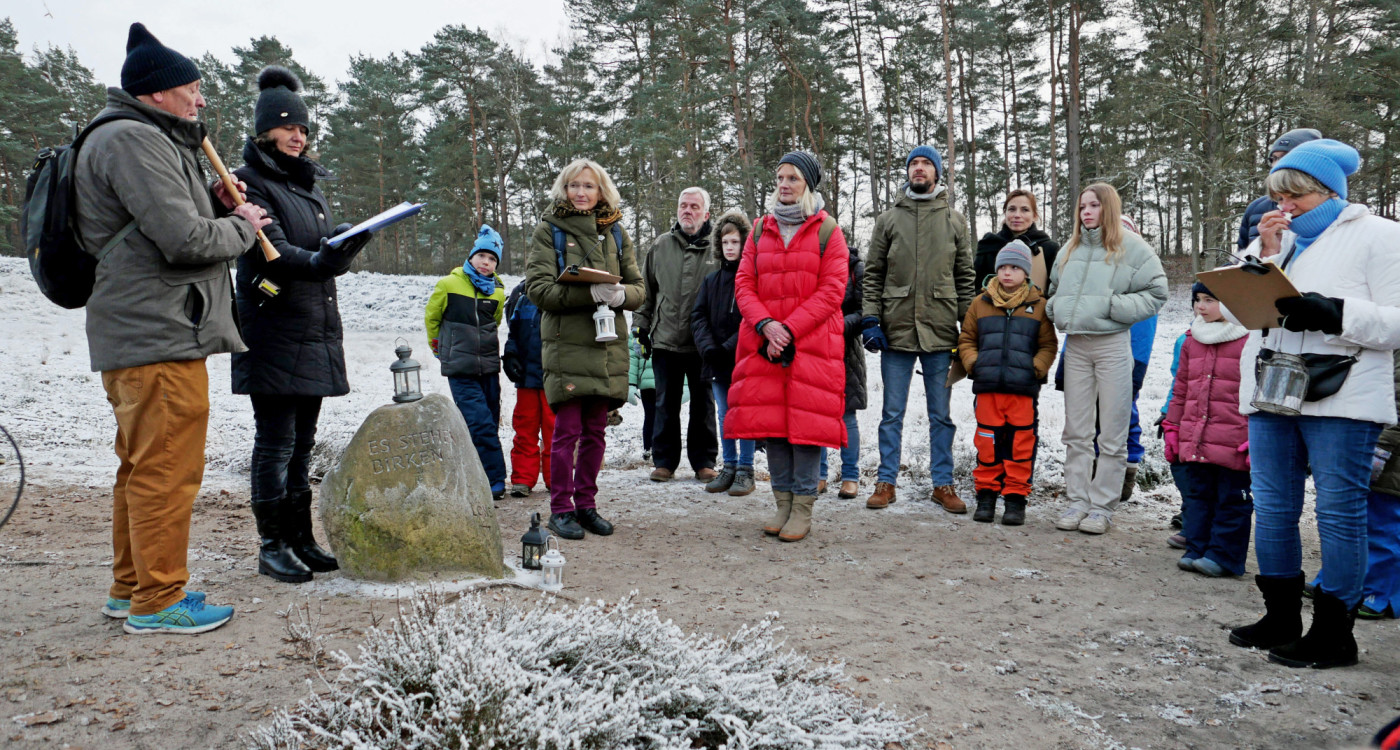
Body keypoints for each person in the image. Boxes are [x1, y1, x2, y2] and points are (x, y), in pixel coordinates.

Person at [78, 23, 272, 634]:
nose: (201, 98)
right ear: (158, 92)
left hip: (145, 331)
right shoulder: (135, 140)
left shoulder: (142, 138)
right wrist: (242, 223)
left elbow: (170, 220)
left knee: (141, 466)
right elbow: (184, 240)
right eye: (193, 86)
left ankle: (131, 586)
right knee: (166, 467)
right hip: (157, 333)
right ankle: (159, 601)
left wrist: (215, 201)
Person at [1225, 139, 1400, 669]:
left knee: (1338, 512)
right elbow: (1237, 320)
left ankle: (1333, 633)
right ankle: (1279, 616)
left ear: (1326, 193)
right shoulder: (1276, 245)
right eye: (1277, 196)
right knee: (1274, 507)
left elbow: (1396, 321)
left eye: (1293, 196)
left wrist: (1335, 313)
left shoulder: (1380, 236)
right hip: (1273, 391)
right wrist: (1265, 257)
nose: (1284, 207)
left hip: (1343, 395)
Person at [232, 66, 372, 585]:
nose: (298, 135)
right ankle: (273, 545)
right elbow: (273, 253)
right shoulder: (245, 184)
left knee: (303, 442)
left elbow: (316, 253)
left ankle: (301, 538)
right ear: (265, 130)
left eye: (304, 129)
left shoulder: (307, 185)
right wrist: (322, 259)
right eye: (288, 127)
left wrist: (341, 241)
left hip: (312, 328)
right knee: (275, 442)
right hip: (270, 331)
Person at [726, 151, 849, 542]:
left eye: (792, 178)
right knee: (773, 427)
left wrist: (788, 329)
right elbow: (744, 283)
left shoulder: (829, 230)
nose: (784, 184)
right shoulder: (760, 229)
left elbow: (832, 290)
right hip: (764, 343)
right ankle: (781, 504)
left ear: (808, 185)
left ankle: (803, 507)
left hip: (811, 345)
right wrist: (766, 325)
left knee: (807, 429)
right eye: (780, 177)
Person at [525, 158, 643, 540]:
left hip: (607, 344)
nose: (581, 193)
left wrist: (621, 293)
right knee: (567, 432)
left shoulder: (616, 232)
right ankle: (561, 509)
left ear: (601, 191)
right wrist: (588, 291)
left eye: (589, 186)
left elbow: (640, 290)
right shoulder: (549, 231)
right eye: (574, 185)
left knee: (596, 432)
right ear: (564, 188)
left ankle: (586, 505)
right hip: (566, 345)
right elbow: (538, 290)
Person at [1046, 182, 1168, 535]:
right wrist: (1057, 308)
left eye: (1094, 205)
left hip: (1114, 345)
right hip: (1077, 346)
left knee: (1112, 432)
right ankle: (1077, 501)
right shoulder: (1069, 248)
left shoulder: (1133, 248)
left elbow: (1157, 292)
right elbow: (1053, 291)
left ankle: (1102, 507)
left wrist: (1115, 308)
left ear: (1109, 208)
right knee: (1077, 431)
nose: (1086, 211)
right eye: (1082, 205)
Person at [861, 146, 975, 512]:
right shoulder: (888, 220)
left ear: (938, 173)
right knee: (891, 413)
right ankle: (886, 482)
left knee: (940, 415)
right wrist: (870, 320)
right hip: (895, 330)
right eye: (914, 164)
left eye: (926, 163)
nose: (920, 168)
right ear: (908, 172)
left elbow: (965, 277)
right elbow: (873, 275)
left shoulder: (955, 221)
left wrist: (969, 328)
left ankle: (943, 484)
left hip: (940, 331)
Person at [958, 240, 1058, 525]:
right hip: (988, 389)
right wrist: (975, 363)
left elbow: (1048, 345)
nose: (1007, 273)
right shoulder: (980, 303)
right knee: (987, 444)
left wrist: (1035, 368)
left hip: (1022, 392)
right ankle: (987, 495)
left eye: (1014, 267)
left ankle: (1015, 498)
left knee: (1020, 445)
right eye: (1002, 267)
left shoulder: (1039, 306)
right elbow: (966, 339)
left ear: (1026, 272)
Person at [1162, 282, 1251, 577]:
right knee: (1198, 496)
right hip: (1197, 437)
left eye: (1210, 300)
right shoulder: (1192, 339)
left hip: (1235, 440)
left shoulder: (1249, 339)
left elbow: (1258, 392)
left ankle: (1224, 556)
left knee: (1231, 500)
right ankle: (1197, 548)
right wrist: (1172, 427)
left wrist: (1256, 436)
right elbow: (1181, 388)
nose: (1200, 306)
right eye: (1198, 299)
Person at [633, 188, 720, 482]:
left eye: (695, 207)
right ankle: (665, 462)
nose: (688, 211)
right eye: (683, 205)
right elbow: (646, 291)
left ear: (706, 214)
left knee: (704, 404)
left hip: (703, 342)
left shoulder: (717, 249)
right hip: (665, 338)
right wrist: (641, 327)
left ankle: (704, 462)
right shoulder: (660, 246)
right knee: (664, 403)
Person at [426, 225, 508, 500]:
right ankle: (494, 480)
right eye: (483, 256)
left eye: (493, 259)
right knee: (479, 423)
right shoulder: (448, 284)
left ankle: (475, 472)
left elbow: (494, 324)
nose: (487, 263)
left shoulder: (497, 291)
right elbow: (432, 320)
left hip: (488, 368)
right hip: (460, 368)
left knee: (491, 423)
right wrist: (439, 349)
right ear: (471, 256)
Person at [691, 209, 757, 496]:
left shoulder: (753, 278)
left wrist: (729, 347)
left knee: (746, 414)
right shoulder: (712, 280)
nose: (730, 248)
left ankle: (746, 469)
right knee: (725, 414)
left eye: (735, 242)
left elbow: (753, 318)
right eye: (726, 243)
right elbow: (699, 316)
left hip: (744, 358)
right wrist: (708, 347)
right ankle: (728, 467)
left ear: (745, 243)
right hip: (716, 360)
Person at [818, 244, 867, 499]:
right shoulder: (810, 263)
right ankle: (819, 475)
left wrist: (835, 327)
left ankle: (850, 477)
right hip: (814, 349)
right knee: (815, 415)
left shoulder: (855, 268)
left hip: (846, 351)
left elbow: (864, 311)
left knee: (846, 416)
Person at [503, 278, 554, 498]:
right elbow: (513, 331)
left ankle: (557, 479)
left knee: (556, 433)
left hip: (555, 378)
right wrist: (511, 354)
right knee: (524, 430)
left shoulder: (563, 287)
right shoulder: (521, 293)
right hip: (526, 378)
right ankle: (523, 479)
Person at [1238, 128, 1323, 251]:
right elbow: (1240, 260)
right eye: (1273, 158)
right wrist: (1265, 249)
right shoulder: (1256, 208)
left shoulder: (1332, 213)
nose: (1277, 164)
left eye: (1285, 157)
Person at [974, 189, 1060, 288]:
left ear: (1035, 215)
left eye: (1025, 210)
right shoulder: (989, 245)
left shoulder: (1049, 249)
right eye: (1012, 209)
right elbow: (976, 286)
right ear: (1005, 213)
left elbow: (1055, 289)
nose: (1017, 215)